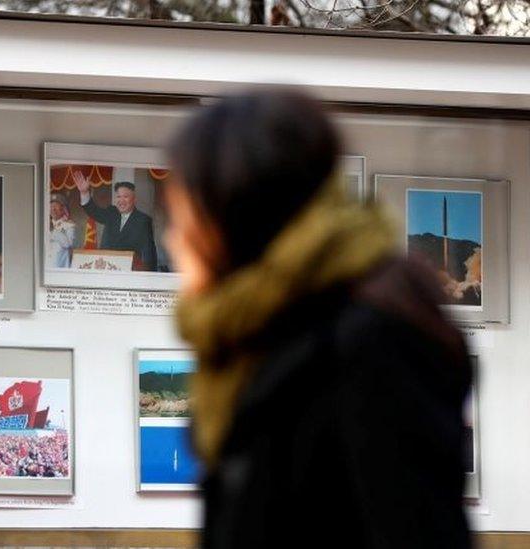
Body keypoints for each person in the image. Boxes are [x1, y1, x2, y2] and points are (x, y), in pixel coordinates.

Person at [164, 88, 472, 549]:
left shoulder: (369, 347)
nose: (174, 240)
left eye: (184, 216)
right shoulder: (259, 345)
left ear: (234, 221)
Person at [73, 170, 158, 271]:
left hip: (127, 272)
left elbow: (149, 250)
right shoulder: (111, 212)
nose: (121, 201)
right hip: (105, 270)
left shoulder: (143, 220)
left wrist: (150, 275)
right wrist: (84, 192)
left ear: (134, 199)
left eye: (125, 197)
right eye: (118, 197)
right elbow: (94, 211)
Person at [48, 193, 76, 269]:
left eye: (56, 206)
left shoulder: (69, 226)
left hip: (61, 268)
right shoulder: (44, 225)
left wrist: (54, 230)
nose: (53, 209)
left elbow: (68, 244)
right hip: (46, 267)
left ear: (63, 209)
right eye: (51, 206)